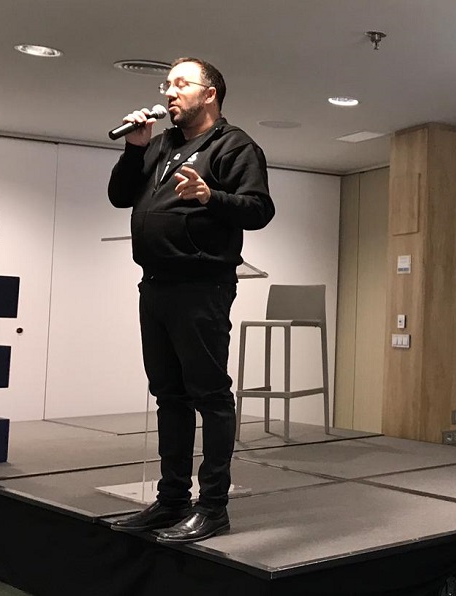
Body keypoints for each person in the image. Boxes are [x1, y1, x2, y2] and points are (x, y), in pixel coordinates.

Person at [107, 57, 275, 544]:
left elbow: (259, 209)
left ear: (210, 93)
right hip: (155, 286)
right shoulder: (159, 144)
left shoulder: (234, 145)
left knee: (210, 396)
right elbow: (120, 196)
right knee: (169, 395)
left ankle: (214, 507)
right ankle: (172, 500)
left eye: (182, 83)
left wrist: (210, 196)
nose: (169, 92)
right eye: (167, 84)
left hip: (202, 287)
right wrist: (134, 149)